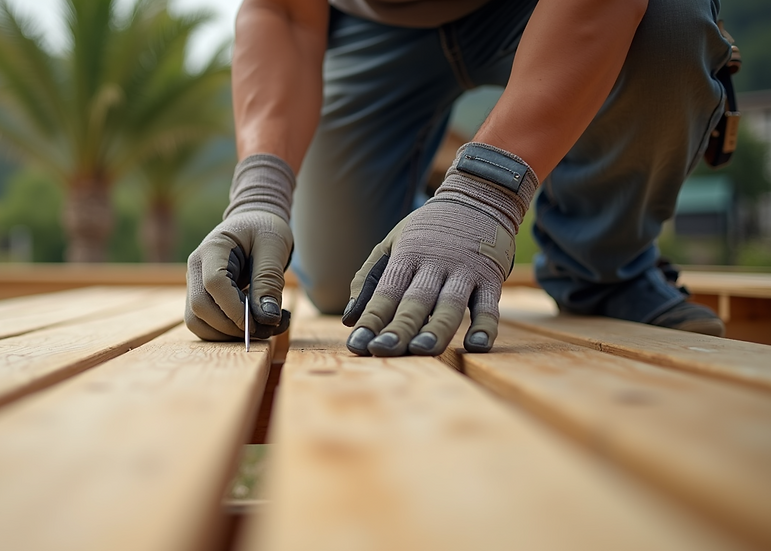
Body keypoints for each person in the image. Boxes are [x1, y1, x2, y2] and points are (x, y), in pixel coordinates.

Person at [184, 0, 734, 357]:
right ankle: (434, 215)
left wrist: (487, 191)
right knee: (343, 283)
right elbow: (280, 11)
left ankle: (602, 268)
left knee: (669, 25)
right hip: (369, 27)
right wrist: (260, 192)